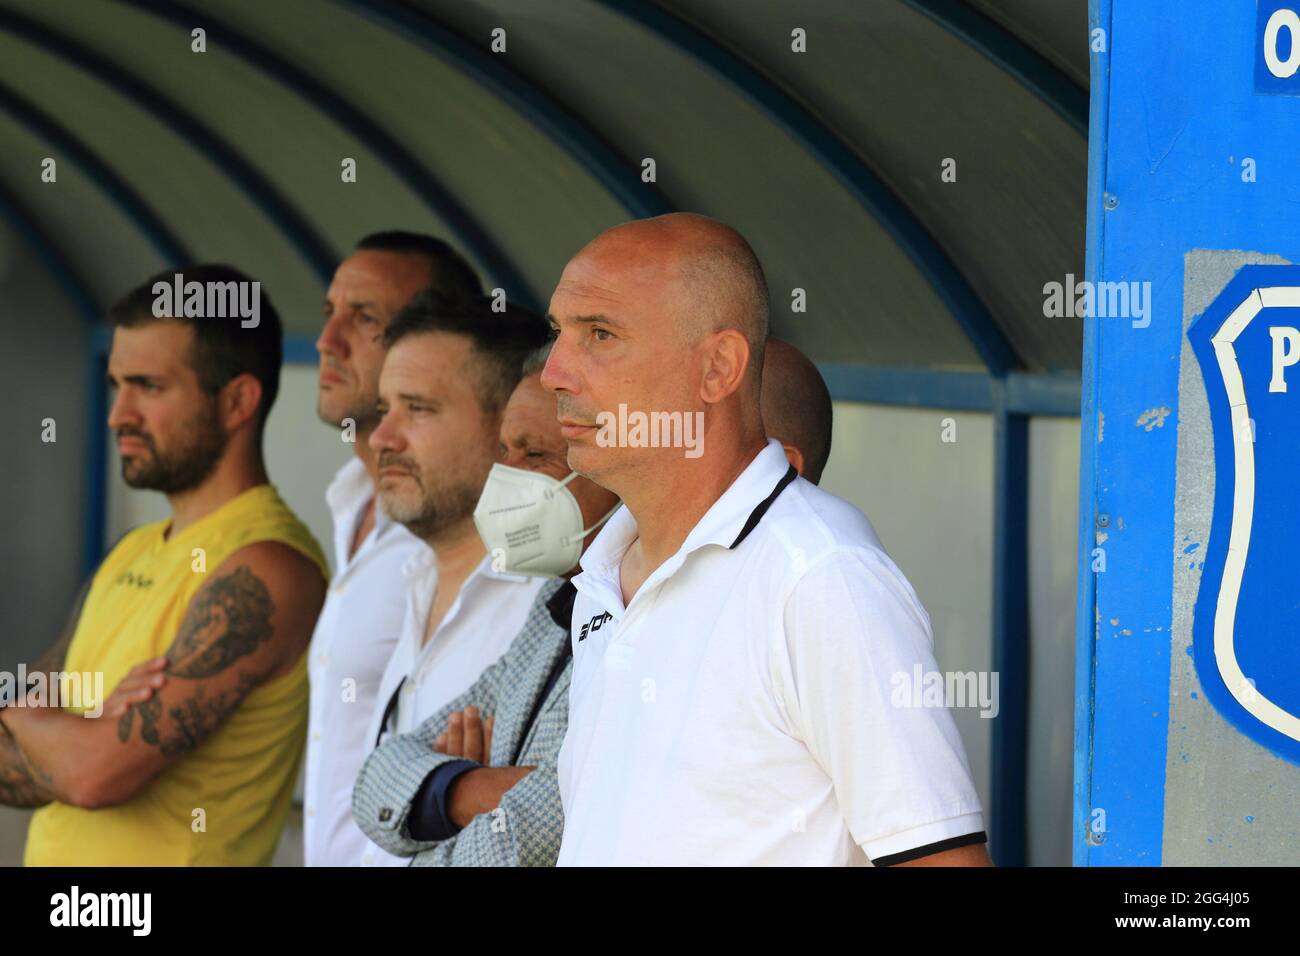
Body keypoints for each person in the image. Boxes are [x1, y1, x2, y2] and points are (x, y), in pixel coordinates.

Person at [542, 213, 992, 866]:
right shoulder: (604, 581)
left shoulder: (820, 577)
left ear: (718, 367)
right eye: (559, 332)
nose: (555, 372)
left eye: (601, 335)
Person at [3, 265, 329, 866]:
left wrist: (31, 717)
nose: (117, 415)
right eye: (116, 385)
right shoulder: (133, 548)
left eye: (148, 387)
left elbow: (94, 776)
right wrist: (64, 731)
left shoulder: (268, 569)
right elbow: (49, 761)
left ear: (237, 401)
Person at [351, 345, 619, 865]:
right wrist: (469, 788)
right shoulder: (555, 605)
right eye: (503, 453)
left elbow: (568, 815)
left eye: (535, 454)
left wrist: (448, 808)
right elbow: (375, 780)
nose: (508, 478)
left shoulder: (650, 621)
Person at [305, 231, 482, 866]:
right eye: (330, 314)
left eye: (365, 318)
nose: (328, 341)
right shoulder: (351, 500)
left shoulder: (463, 529)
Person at [358, 290, 551, 865]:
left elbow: (548, 820)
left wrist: (445, 796)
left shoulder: (557, 607)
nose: (381, 437)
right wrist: (457, 793)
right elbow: (376, 789)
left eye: (417, 409)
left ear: (508, 420)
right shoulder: (407, 572)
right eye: (384, 407)